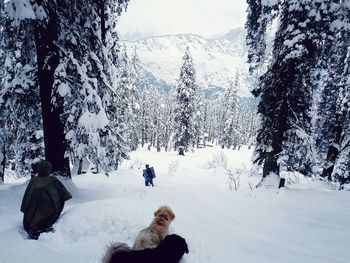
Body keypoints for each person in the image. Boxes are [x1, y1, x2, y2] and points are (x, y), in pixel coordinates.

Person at [20, 160, 72, 239]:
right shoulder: (52, 180)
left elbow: (27, 197)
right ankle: (39, 227)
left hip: (33, 212)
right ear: (49, 168)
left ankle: (35, 227)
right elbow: (64, 194)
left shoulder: (34, 180)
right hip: (49, 211)